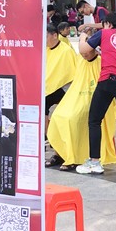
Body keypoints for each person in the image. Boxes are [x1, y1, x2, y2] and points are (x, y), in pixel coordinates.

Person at [76, 12, 116, 174]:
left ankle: (94, 162)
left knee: (94, 120)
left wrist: (82, 37)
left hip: (109, 81)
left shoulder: (104, 33)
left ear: (108, 24)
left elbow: (84, 50)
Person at [47, 48, 116, 171]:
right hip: (77, 96)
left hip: (94, 99)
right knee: (57, 115)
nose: (83, 55)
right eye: (81, 52)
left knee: (72, 118)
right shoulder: (80, 60)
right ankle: (59, 153)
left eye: (86, 52)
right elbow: (76, 81)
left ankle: (73, 157)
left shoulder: (102, 62)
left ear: (95, 50)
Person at [44, 24, 78, 166]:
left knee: (59, 115)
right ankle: (48, 138)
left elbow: (70, 75)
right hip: (49, 88)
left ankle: (60, 150)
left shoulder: (66, 51)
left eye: (45, 36)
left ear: (54, 35)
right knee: (41, 106)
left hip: (66, 88)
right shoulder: (45, 50)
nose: (43, 39)